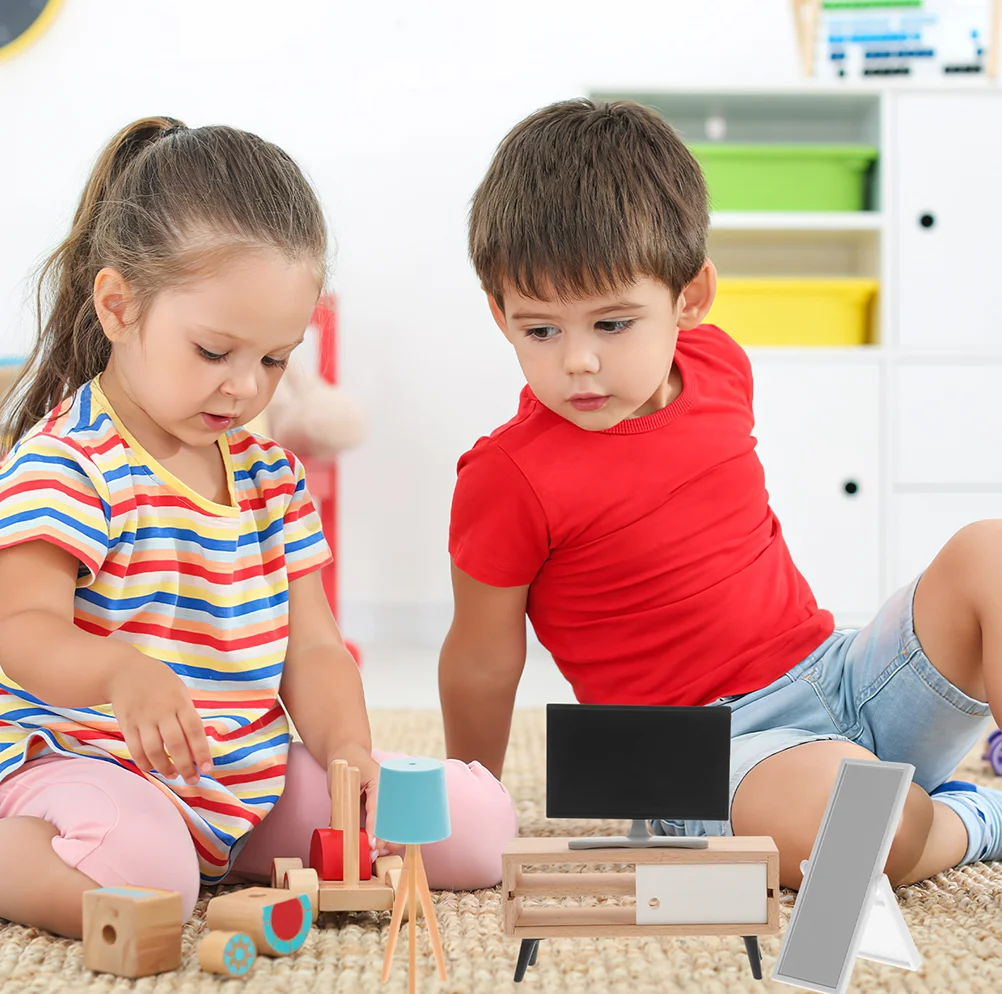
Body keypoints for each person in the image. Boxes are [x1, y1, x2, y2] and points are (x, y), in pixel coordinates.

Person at [440, 97, 1002, 891]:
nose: (579, 364)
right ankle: (968, 821)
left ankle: (922, 792)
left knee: (991, 549)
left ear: (690, 299)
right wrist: (473, 800)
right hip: (700, 753)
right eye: (541, 330)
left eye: (612, 324)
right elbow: (482, 657)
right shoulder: (508, 475)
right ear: (499, 314)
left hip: (839, 677)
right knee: (856, 822)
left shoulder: (718, 367)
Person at [0, 116, 516, 939]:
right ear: (118, 306)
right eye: (214, 351)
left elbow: (311, 646)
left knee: (476, 829)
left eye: (275, 359)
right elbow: (20, 629)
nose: (246, 386)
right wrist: (119, 675)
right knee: (149, 882)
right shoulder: (67, 461)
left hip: (241, 779)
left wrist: (350, 754)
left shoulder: (269, 476)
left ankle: (218, 847)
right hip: (85, 764)